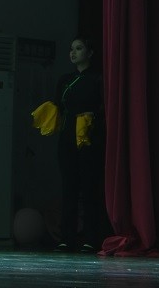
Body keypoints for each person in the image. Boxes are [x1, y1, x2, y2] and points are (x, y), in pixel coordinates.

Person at [52, 36, 104, 253]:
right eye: (71, 49)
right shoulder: (65, 80)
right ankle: (67, 238)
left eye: (79, 48)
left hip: (89, 139)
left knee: (90, 190)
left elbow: (103, 108)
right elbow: (58, 106)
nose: (73, 53)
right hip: (67, 139)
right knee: (69, 190)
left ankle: (91, 238)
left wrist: (92, 120)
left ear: (90, 53)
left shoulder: (97, 79)